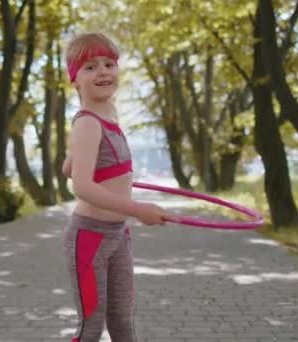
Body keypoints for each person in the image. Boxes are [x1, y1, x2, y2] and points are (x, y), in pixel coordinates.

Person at [60, 32, 175, 342]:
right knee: (91, 328)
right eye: (90, 67)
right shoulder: (86, 123)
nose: (102, 72)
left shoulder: (108, 115)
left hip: (117, 236)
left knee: (123, 323)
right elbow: (82, 186)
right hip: (89, 237)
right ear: (75, 78)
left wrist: (75, 156)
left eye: (109, 64)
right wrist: (140, 210)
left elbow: (69, 169)